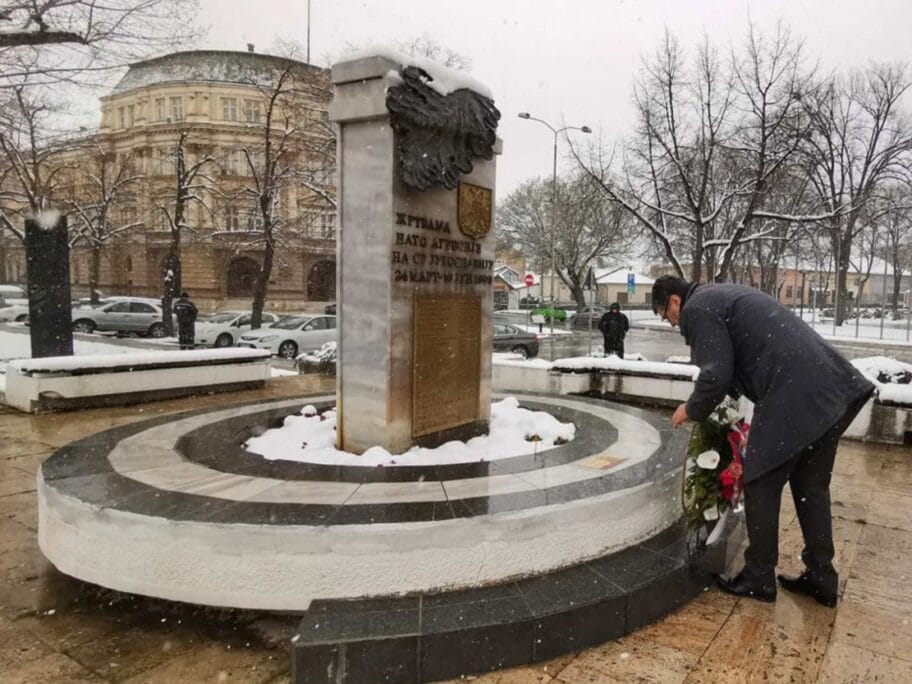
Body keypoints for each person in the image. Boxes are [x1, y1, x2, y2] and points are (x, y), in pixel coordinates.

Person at [651, 275, 874, 606]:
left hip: (796, 392)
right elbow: (746, 360)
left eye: (664, 315)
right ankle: (822, 575)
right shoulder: (719, 296)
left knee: (759, 480)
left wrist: (692, 409)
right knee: (810, 485)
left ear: (674, 300)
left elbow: (716, 374)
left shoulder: (697, 307)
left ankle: (759, 576)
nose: (670, 323)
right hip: (830, 385)